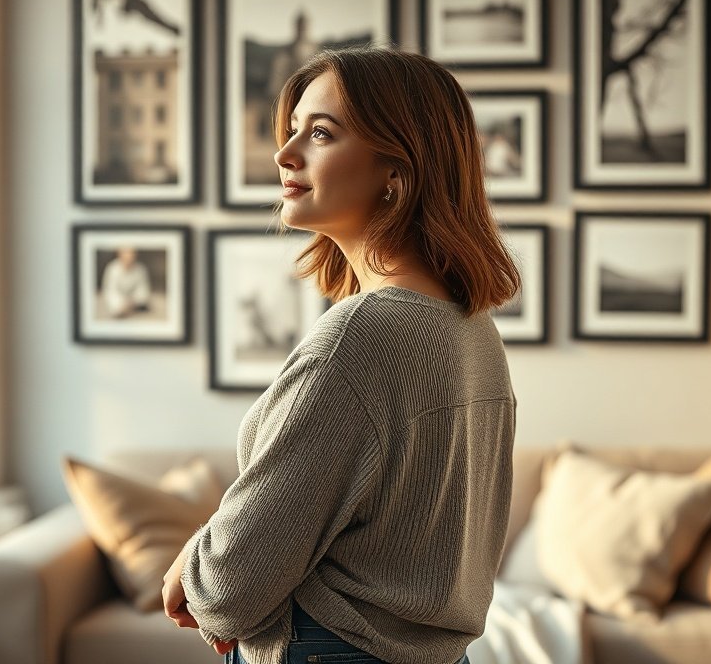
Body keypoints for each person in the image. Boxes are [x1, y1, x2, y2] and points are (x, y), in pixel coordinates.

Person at [162, 47, 520, 664]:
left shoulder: (362, 338)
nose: (285, 155)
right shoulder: (470, 329)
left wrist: (192, 568)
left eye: (321, 133)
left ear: (396, 168)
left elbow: (227, 590)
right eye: (292, 130)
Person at [100, 246, 151, 318]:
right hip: (119, 301)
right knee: (115, 310)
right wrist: (121, 304)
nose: (129, 256)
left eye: (131, 253)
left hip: (133, 301)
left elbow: (143, 289)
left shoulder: (141, 269)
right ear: (119, 254)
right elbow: (110, 291)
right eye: (126, 253)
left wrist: (133, 301)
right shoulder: (112, 269)